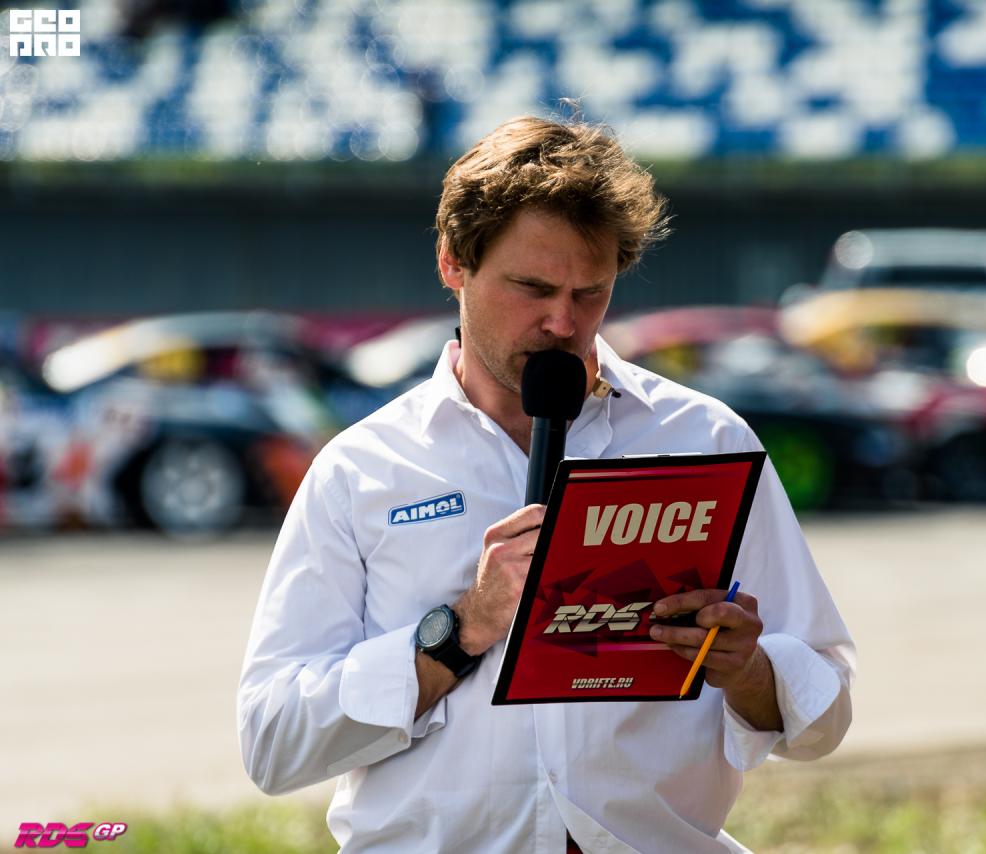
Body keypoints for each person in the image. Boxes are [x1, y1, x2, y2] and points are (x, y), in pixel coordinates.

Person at [237, 115, 856, 853]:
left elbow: (826, 714)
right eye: (531, 288)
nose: (563, 322)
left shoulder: (705, 440)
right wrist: (459, 631)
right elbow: (271, 742)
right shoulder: (362, 469)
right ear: (453, 263)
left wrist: (748, 670)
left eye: (591, 293)